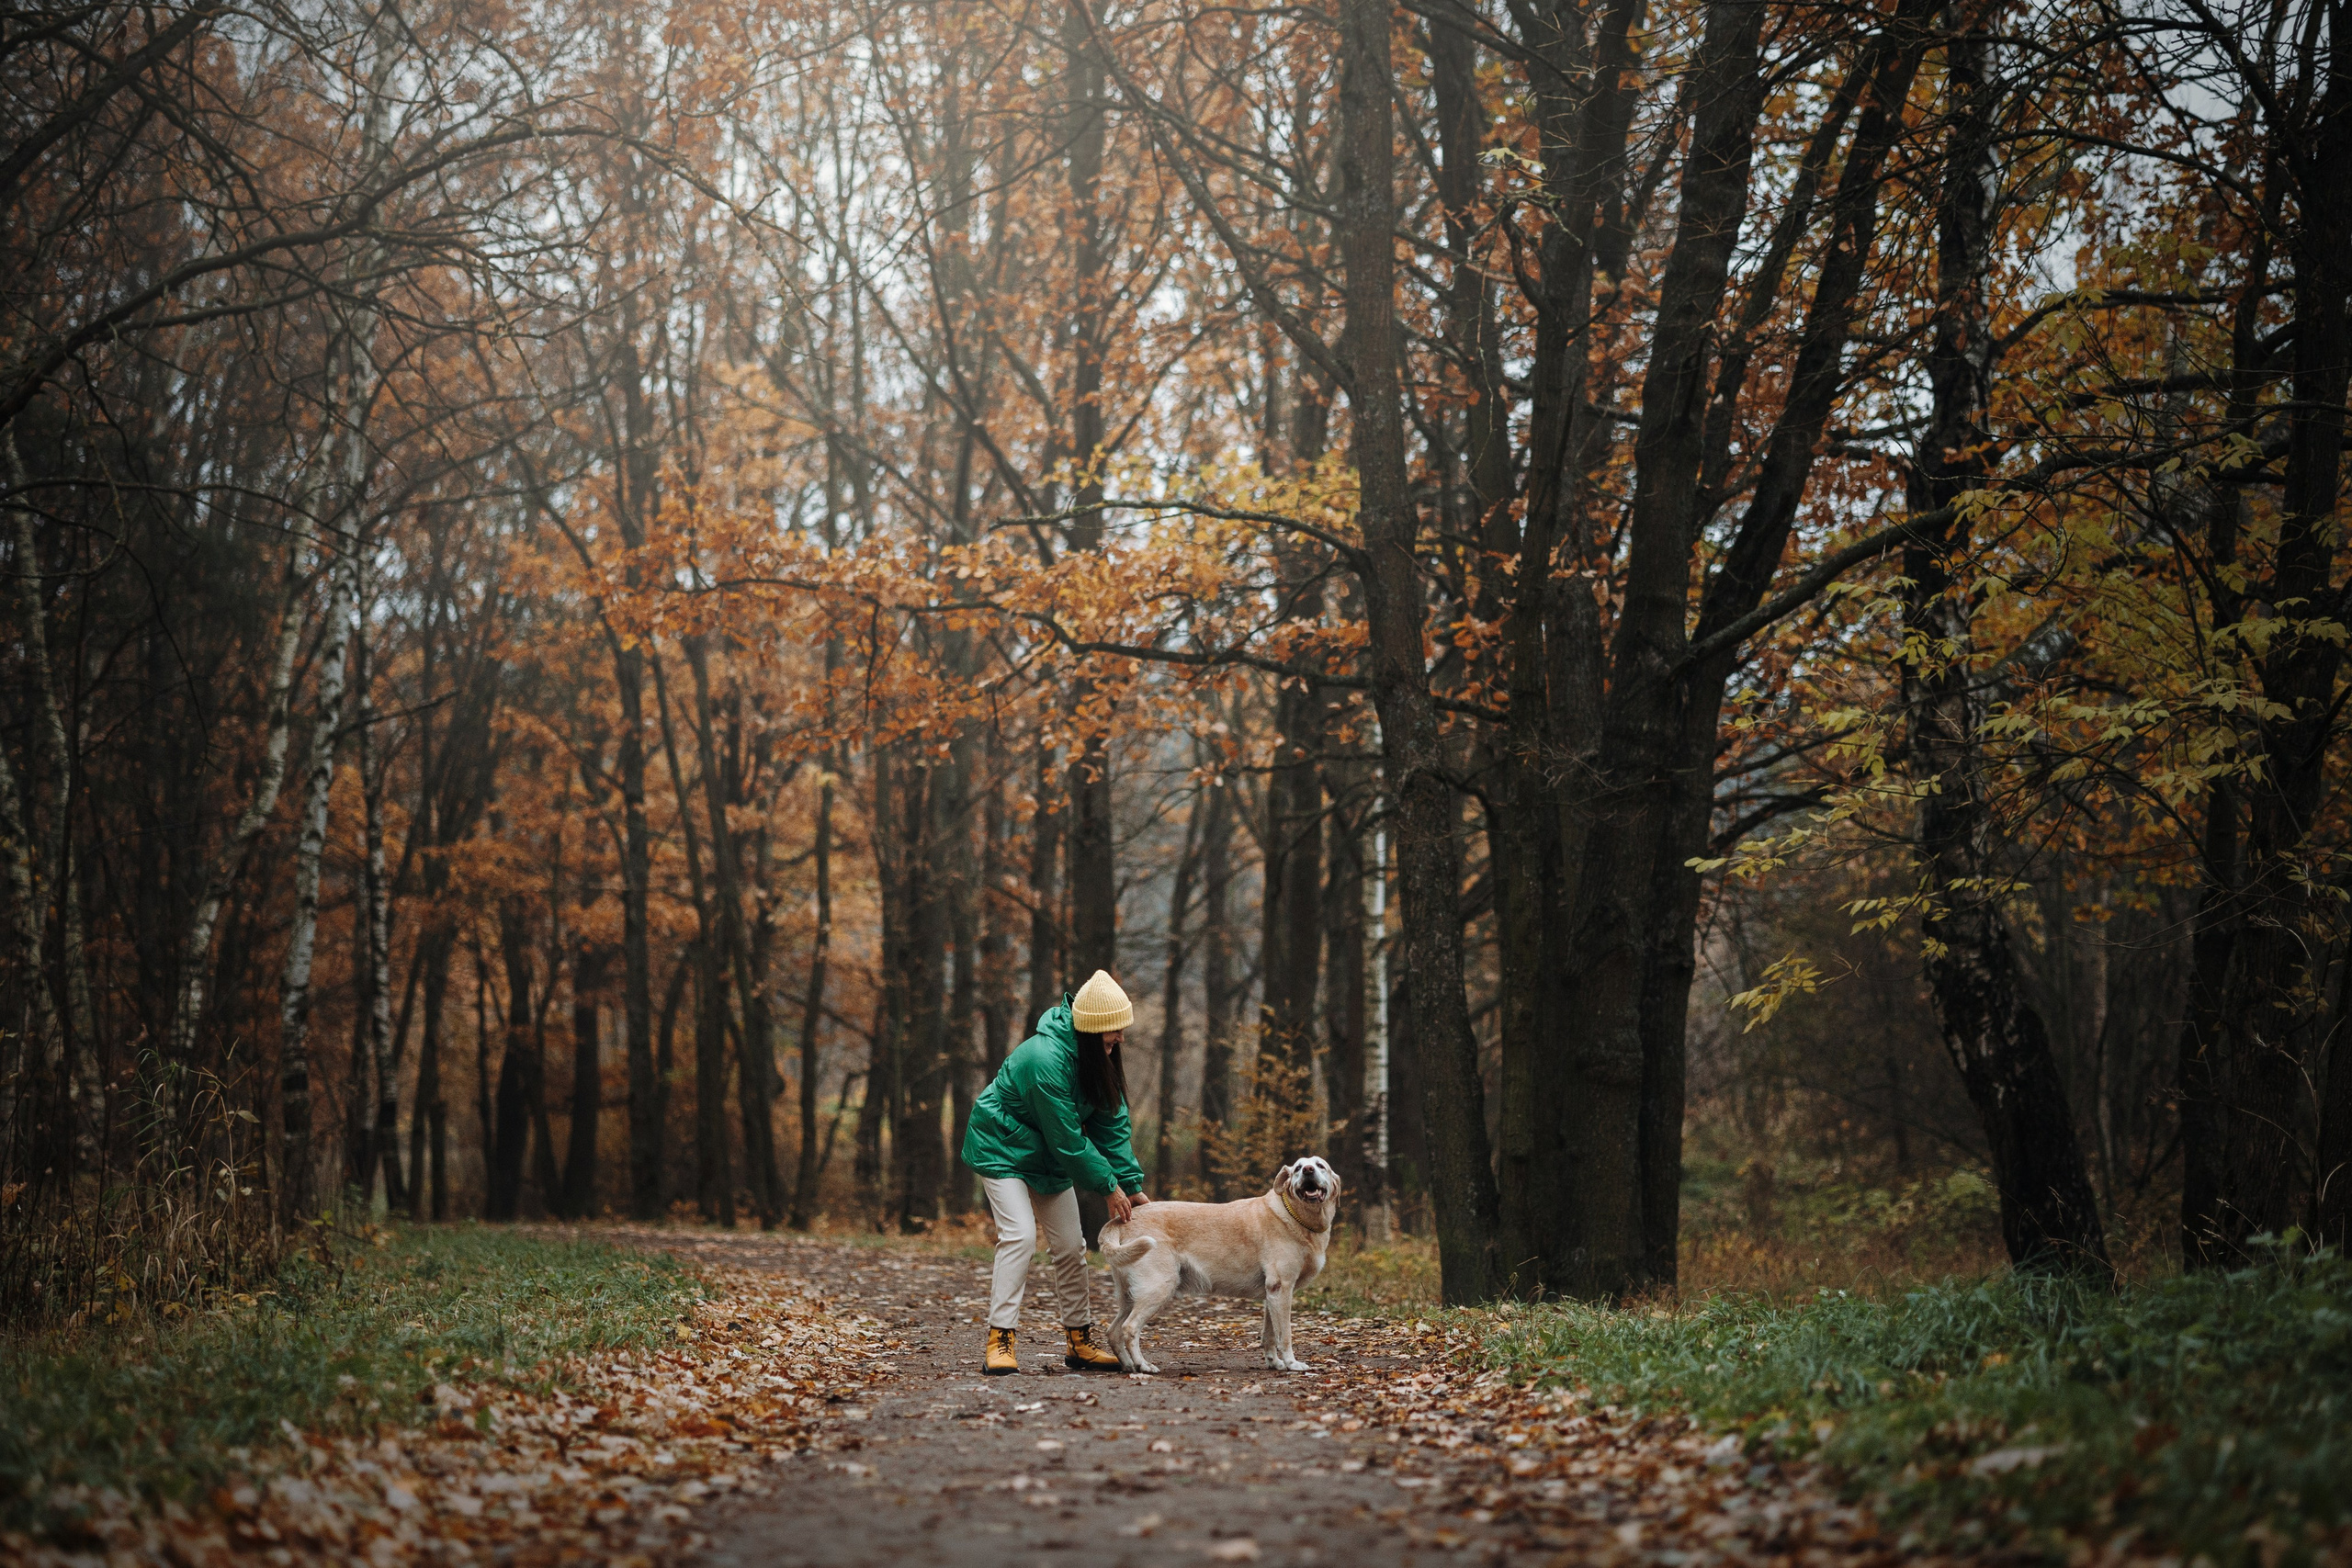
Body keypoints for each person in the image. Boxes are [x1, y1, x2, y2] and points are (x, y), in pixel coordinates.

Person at [960, 969, 1151, 1374]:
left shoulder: (1101, 1058)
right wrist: (1107, 1185)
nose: (1120, 1038)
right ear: (1092, 1028)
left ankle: (1079, 1341)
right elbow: (1066, 1136)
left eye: (1121, 1029)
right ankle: (1000, 1340)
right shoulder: (1044, 1059)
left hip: (1047, 1154)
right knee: (1020, 1236)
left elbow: (1110, 1125)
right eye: (1114, 1030)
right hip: (1002, 1147)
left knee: (1070, 1245)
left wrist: (1131, 1185)